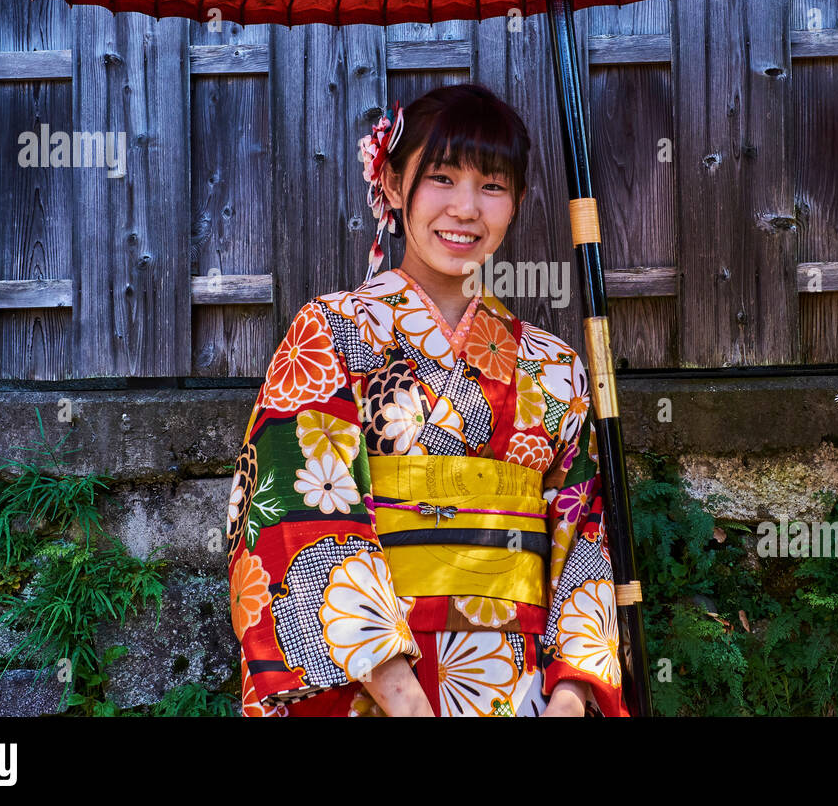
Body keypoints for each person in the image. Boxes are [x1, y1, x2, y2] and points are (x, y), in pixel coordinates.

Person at [227, 83, 628, 717]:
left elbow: (586, 546)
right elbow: (296, 525)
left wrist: (572, 696)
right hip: (377, 689)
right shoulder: (331, 335)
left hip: (520, 692)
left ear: (518, 202)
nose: (466, 208)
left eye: (493, 186)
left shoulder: (557, 370)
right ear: (389, 183)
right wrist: (403, 700)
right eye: (441, 178)